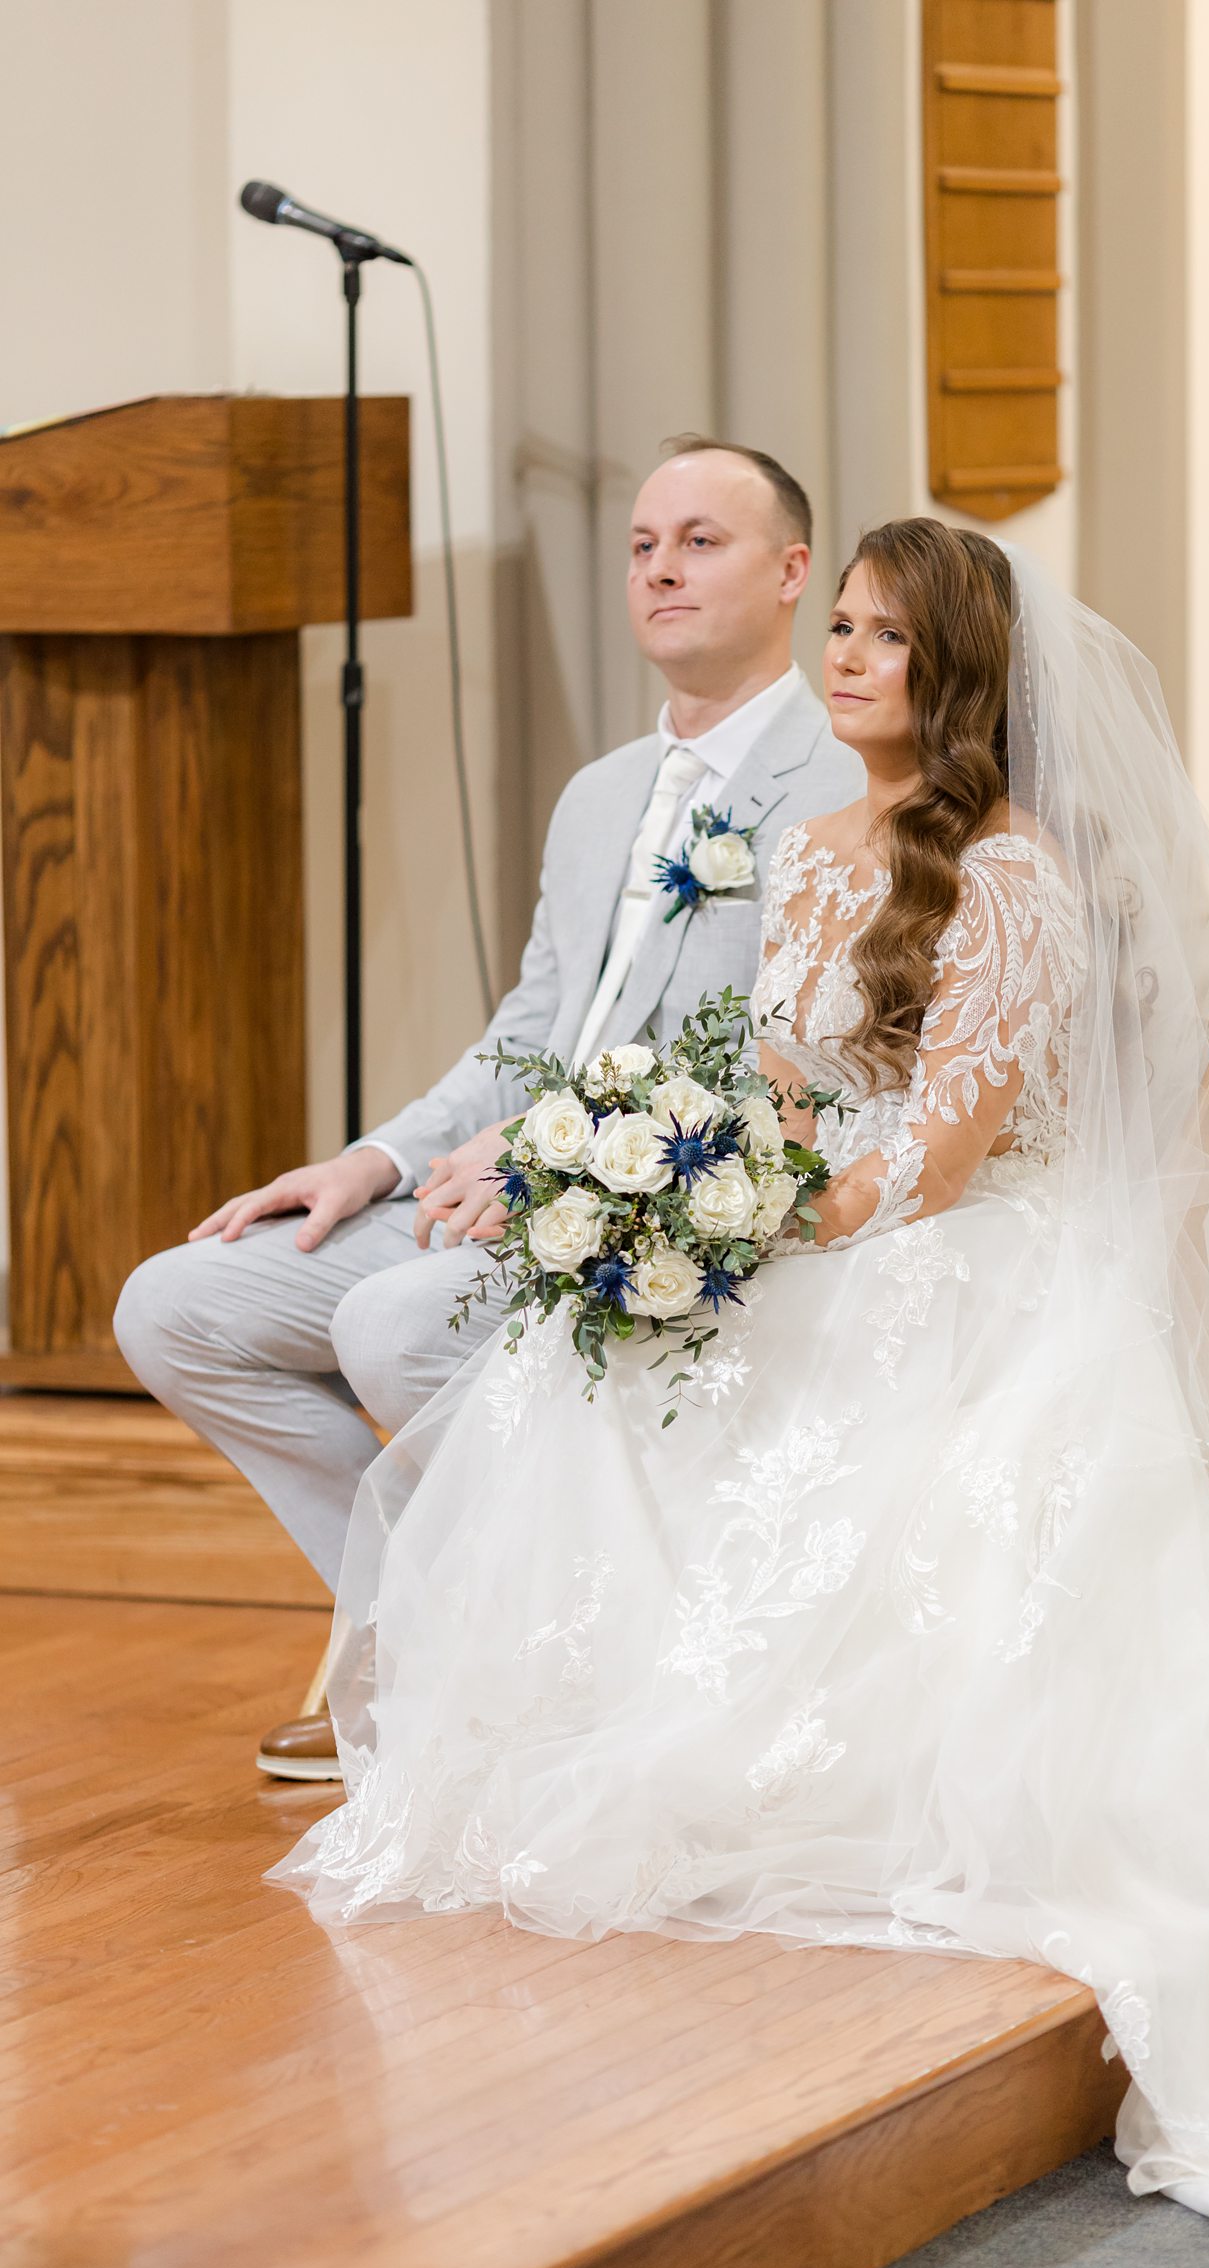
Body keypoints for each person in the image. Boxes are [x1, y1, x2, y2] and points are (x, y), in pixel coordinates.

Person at [269, 520, 1209, 2267]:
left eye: (885, 637)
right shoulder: (809, 844)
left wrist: (751, 1236)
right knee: (585, 1348)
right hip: (816, 1216)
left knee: (714, 1352)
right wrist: (643, 1173)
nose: (848, 658)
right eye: (841, 627)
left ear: (963, 674)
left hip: (951, 1250)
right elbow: (776, 1072)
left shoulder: (1011, 875)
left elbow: (937, 1162)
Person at [113, 438, 861, 1780]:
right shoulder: (598, 799)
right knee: (177, 1303)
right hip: (509, 1184)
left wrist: (546, 1164)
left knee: (391, 1322)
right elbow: (532, 1035)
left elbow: (794, 1075)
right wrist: (377, 1159)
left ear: (793, 572)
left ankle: (493, 1670)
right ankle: (432, 1633)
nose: (661, 569)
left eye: (701, 540)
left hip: (675, 1207)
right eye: (641, 546)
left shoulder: (840, 791)